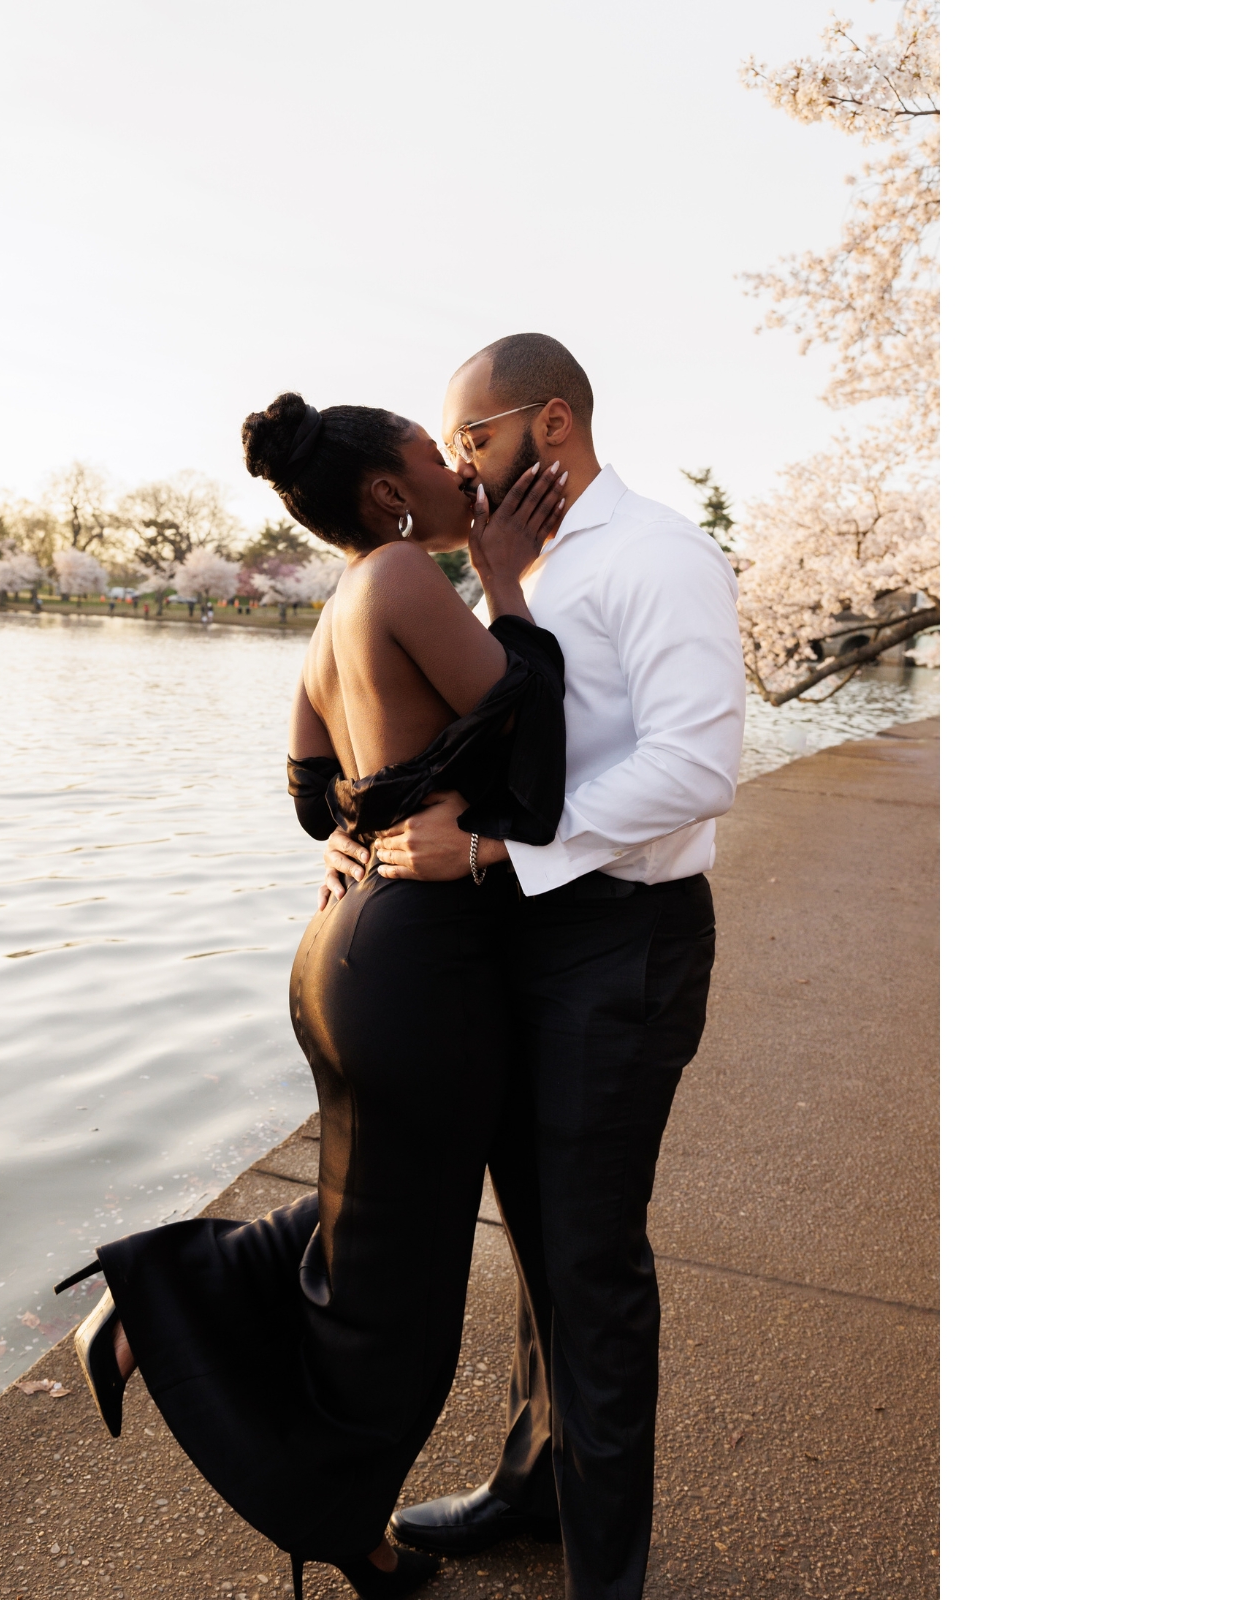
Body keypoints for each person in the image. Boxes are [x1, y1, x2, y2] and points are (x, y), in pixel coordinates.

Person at [53, 390, 572, 1600]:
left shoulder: (336, 605)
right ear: (391, 495)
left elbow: (309, 791)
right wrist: (502, 582)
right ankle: (337, 1510)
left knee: (367, 1217)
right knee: (400, 1299)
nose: (457, 471)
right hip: (420, 963)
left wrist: (354, 830)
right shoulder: (402, 581)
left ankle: (163, 1313)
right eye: (430, 461)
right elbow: (534, 748)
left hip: (341, 954)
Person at [325, 335, 747, 1600]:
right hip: (519, 938)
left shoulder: (661, 556)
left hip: (623, 943)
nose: (454, 468)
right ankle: (533, 1485)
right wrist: (367, 835)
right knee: (540, 1239)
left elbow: (695, 767)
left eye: (472, 439)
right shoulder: (513, 572)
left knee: (590, 1259)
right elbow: (468, 736)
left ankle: (602, 1574)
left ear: (548, 425)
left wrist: (499, 849)